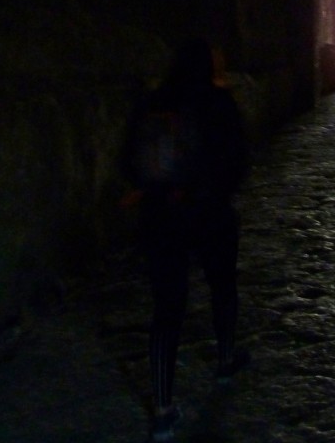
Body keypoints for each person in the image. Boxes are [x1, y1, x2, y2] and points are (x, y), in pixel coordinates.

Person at [122, 37, 250, 442]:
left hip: (161, 217)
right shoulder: (219, 102)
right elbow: (240, 160)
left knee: (167, 309)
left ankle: (162, 406)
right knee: (222, 287)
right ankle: (226, 359)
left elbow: (129, 162)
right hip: (210, 212)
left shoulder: (150, 103)